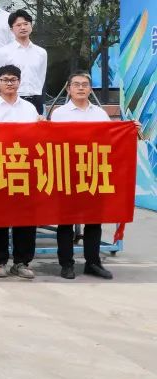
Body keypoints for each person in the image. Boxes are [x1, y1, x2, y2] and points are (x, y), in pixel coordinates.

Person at [49, 72, 115, 280]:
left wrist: (131, 130)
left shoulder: (100, 114)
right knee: (66, 220)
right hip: (67, 172)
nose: (80, 88)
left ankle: (92, 262)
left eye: (85, 84)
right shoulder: (59, 114)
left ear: (90, 89)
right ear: (68, 89)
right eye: (76, 84)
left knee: (94, 220)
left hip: (93, 170)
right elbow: (52, 141)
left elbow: (111, 138)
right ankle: (66, 263)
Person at [0, 65, 41, 279]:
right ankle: (0, 261)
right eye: (5, 79)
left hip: (25, 168)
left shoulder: (30, 108)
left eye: (13, 79)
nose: (9, 83)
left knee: (26, 217)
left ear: (19, 82)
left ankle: (22, 262)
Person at [0, 9, 48, 116]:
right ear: (11, 29)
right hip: (12, 99)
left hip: (36, 100)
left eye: (26, 24)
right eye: (18, 25)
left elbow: (41, 78)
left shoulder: (41, 52)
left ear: (31, 26)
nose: (23, 27)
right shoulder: (3, 52)